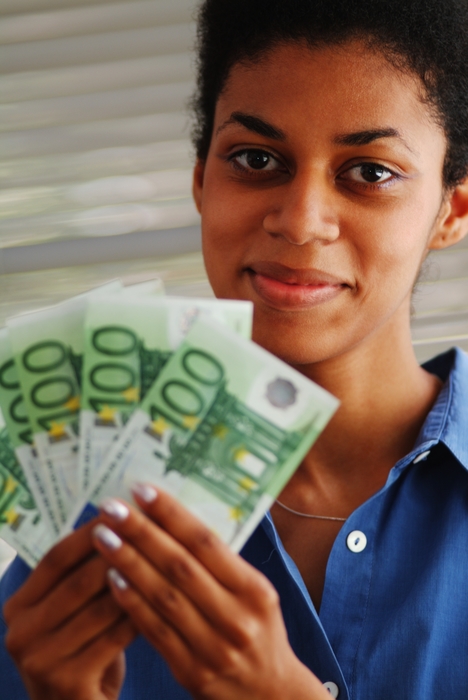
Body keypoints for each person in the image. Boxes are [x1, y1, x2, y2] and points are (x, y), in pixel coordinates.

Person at [2, 0, 468, 697]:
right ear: (200, 180)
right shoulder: (86, 528)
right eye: (256, 159)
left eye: (369, 172)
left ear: (450, 211)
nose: (301, 221)